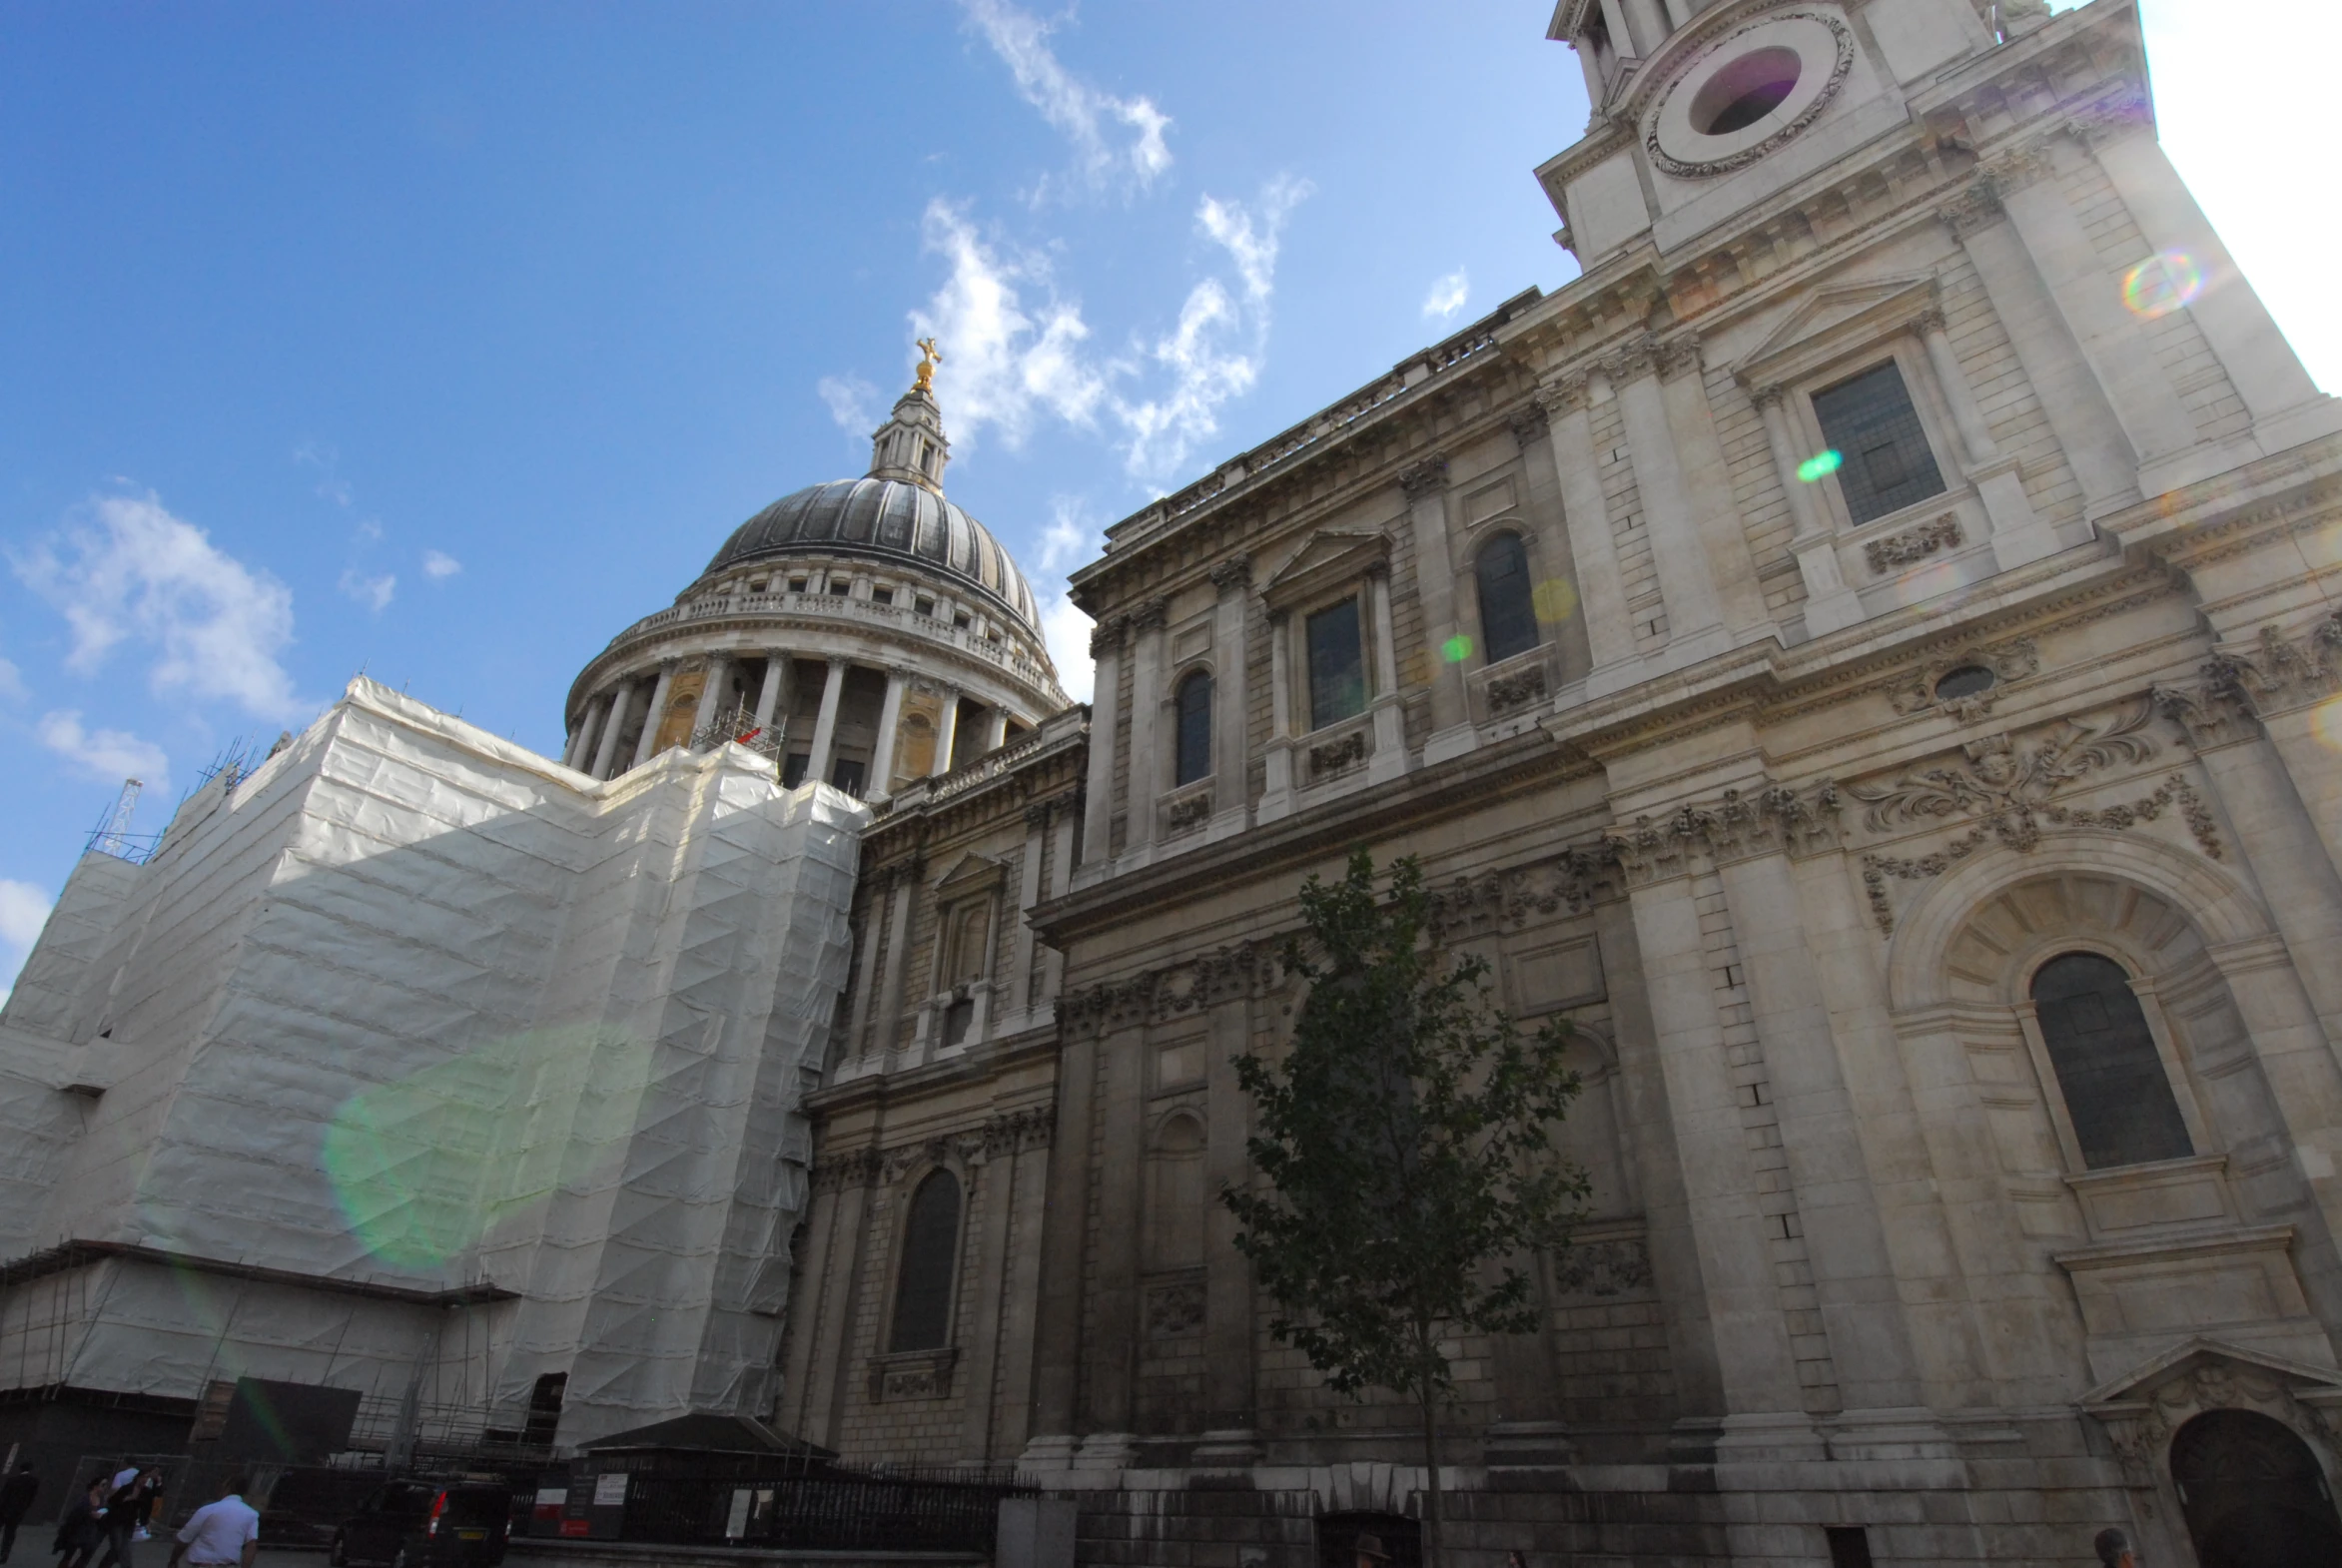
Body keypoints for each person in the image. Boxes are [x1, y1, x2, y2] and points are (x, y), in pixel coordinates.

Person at [166, 1480, 256, 1568]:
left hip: (202, 1562)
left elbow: (185, 1538)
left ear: (228, 1489)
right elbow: (251, 1546)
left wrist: (173, 1560)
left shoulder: (208, 1509)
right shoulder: (252, 1514)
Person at [94, 1473, 161, 1568]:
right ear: (138, 1478)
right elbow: (113, 1501)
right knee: (117, 1545)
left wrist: (145, 1522)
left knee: (125, 1548)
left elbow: (146, 1508)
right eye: (143, 1477)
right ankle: (105, 1565)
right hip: (117, 1520)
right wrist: (128, 1498)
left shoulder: (146, 1492)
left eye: (146, 1478)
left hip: (129, 1522)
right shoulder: (127, 1488)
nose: (144, 1480)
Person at [51, 1479, 108, 1568]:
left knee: (87, 1552)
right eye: (103, 1485)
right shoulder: (85, 1498)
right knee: (69, 1554)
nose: (104, 1487)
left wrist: (101, 1515)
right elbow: (77, 1512)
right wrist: (90, 1513)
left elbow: (104, 1511)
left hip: (91, 1529)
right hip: (78, 1528)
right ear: (95, 1486)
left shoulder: (102, 1499)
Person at [0, 1463, 39, 1565]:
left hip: (4, 1510)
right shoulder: (33, 1482)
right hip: (18, 1512)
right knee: (10, 1533)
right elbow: (31, 1498)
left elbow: (4, 1495)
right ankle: (5, 1552)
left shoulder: (12, 1480)